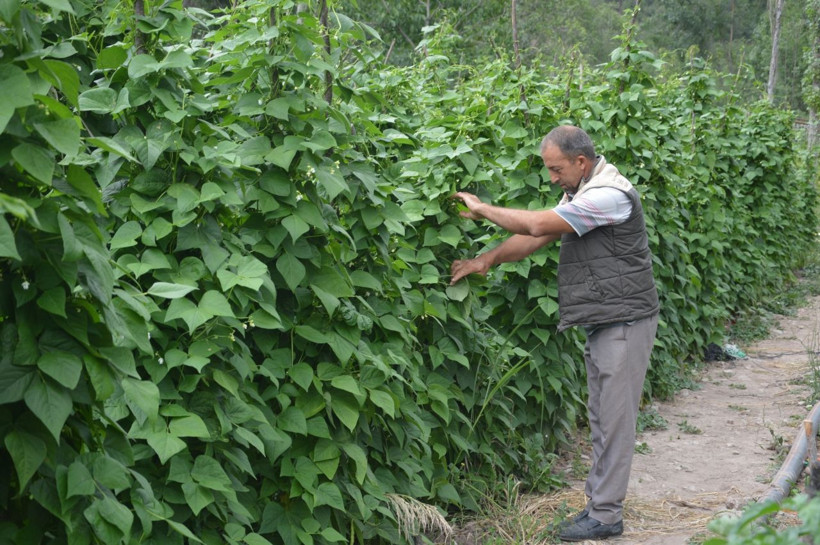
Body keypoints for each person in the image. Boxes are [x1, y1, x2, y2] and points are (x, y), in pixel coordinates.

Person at [449, 125, 659, 542]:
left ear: (581, 162)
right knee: (601, 417)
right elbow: (538, 237)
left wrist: (483, 209)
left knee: (615, 421)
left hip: (625, 321)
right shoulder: (582, 190)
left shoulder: (607, 196)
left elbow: (537, 224)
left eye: (556, 169)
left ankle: (604, 516)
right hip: (607, 319)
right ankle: (599, 506)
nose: (552, 178)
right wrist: (487, 259)